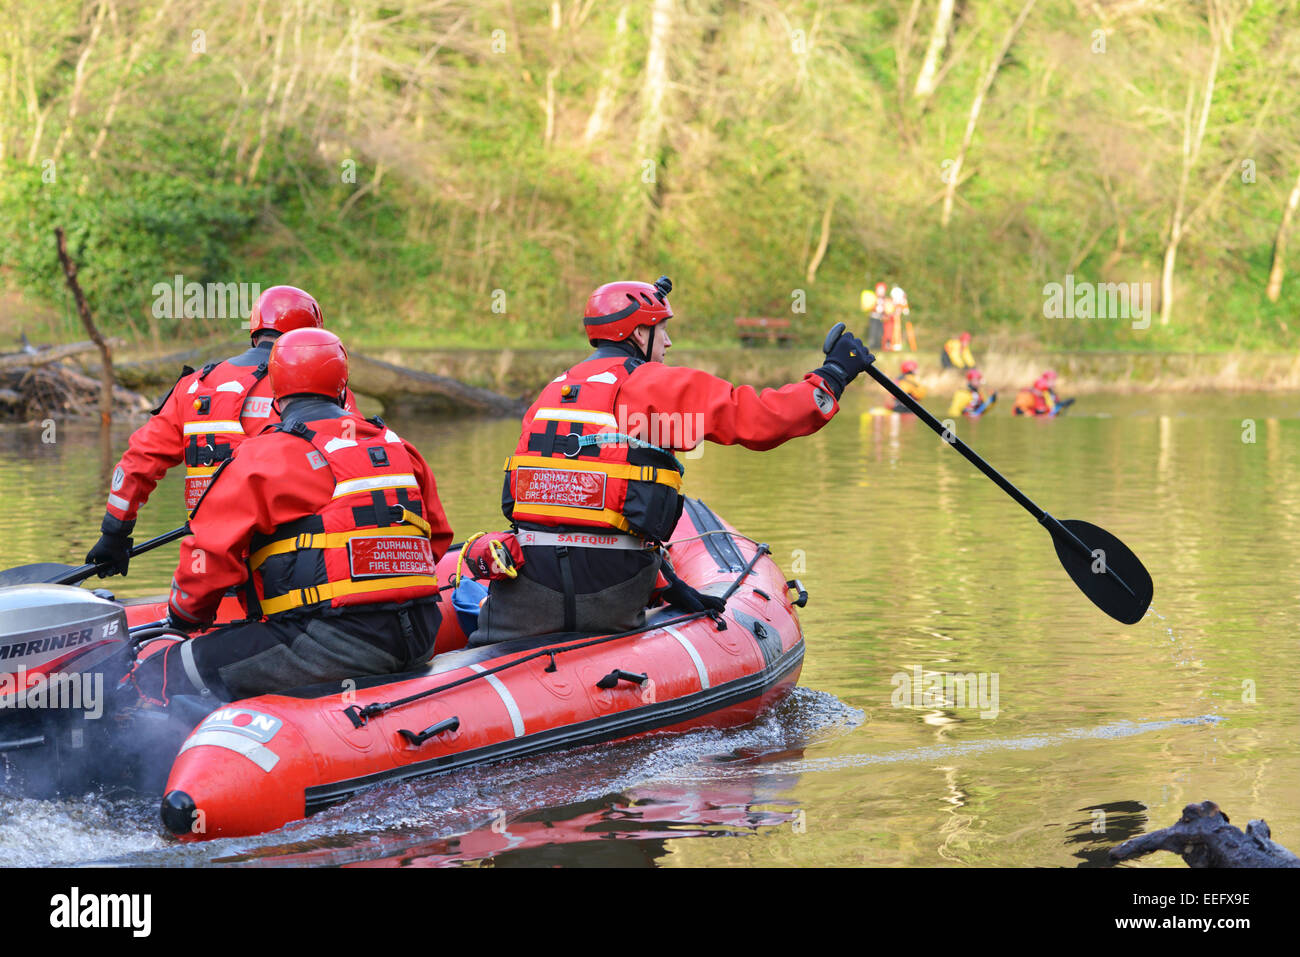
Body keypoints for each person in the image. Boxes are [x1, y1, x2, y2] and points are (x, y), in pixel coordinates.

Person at [471, 275, 871, 644]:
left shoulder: (554, 390)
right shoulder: (653, 384)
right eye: (662, 329)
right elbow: (760, 421)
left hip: (528, 586)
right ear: (639, 332)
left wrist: (669, 584)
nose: (668, 343)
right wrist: (832, 376)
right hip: (611, 587)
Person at [125, 328, 453, 703]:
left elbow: (208, 558)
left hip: (333, 643)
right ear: (343, 390)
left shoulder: (265, 456)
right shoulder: (399, 446)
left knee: (165, 669)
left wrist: (182, 620)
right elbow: (438, 537)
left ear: (277, 396)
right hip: (421, 633)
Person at [86, 285, 357, 578]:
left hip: (211, 561)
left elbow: (137, 464)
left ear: (255, 329)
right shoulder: (320, 386)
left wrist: (114, 533)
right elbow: (358, 465)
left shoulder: (194, 386)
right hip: (296, 562)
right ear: (312, 338)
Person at [862, 280, 889, 352]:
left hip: (881, 318)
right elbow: (869, 306)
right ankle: (871, 347)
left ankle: (878, 347)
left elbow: (888, 308)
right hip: (874, 317)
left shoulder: (885, 299)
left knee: (880, 333)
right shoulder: (873, 297)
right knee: (873, 333)